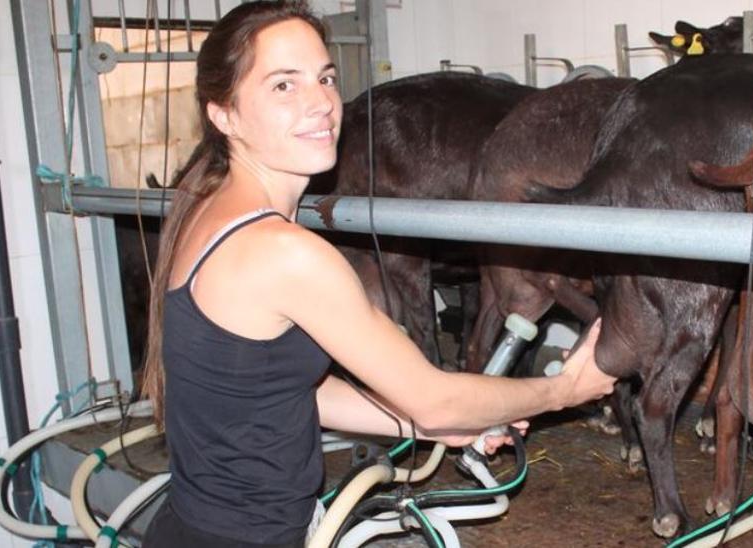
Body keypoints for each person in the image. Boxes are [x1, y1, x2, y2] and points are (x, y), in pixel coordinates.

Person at [138, 3, 617, 547]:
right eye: (283, 86)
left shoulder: (207, 209)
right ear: (224, 115)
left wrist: (427, 426)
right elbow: (435, 396)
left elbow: (291, 393)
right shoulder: (281, 251)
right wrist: (563, 390)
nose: (320, 103)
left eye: (325, 77)